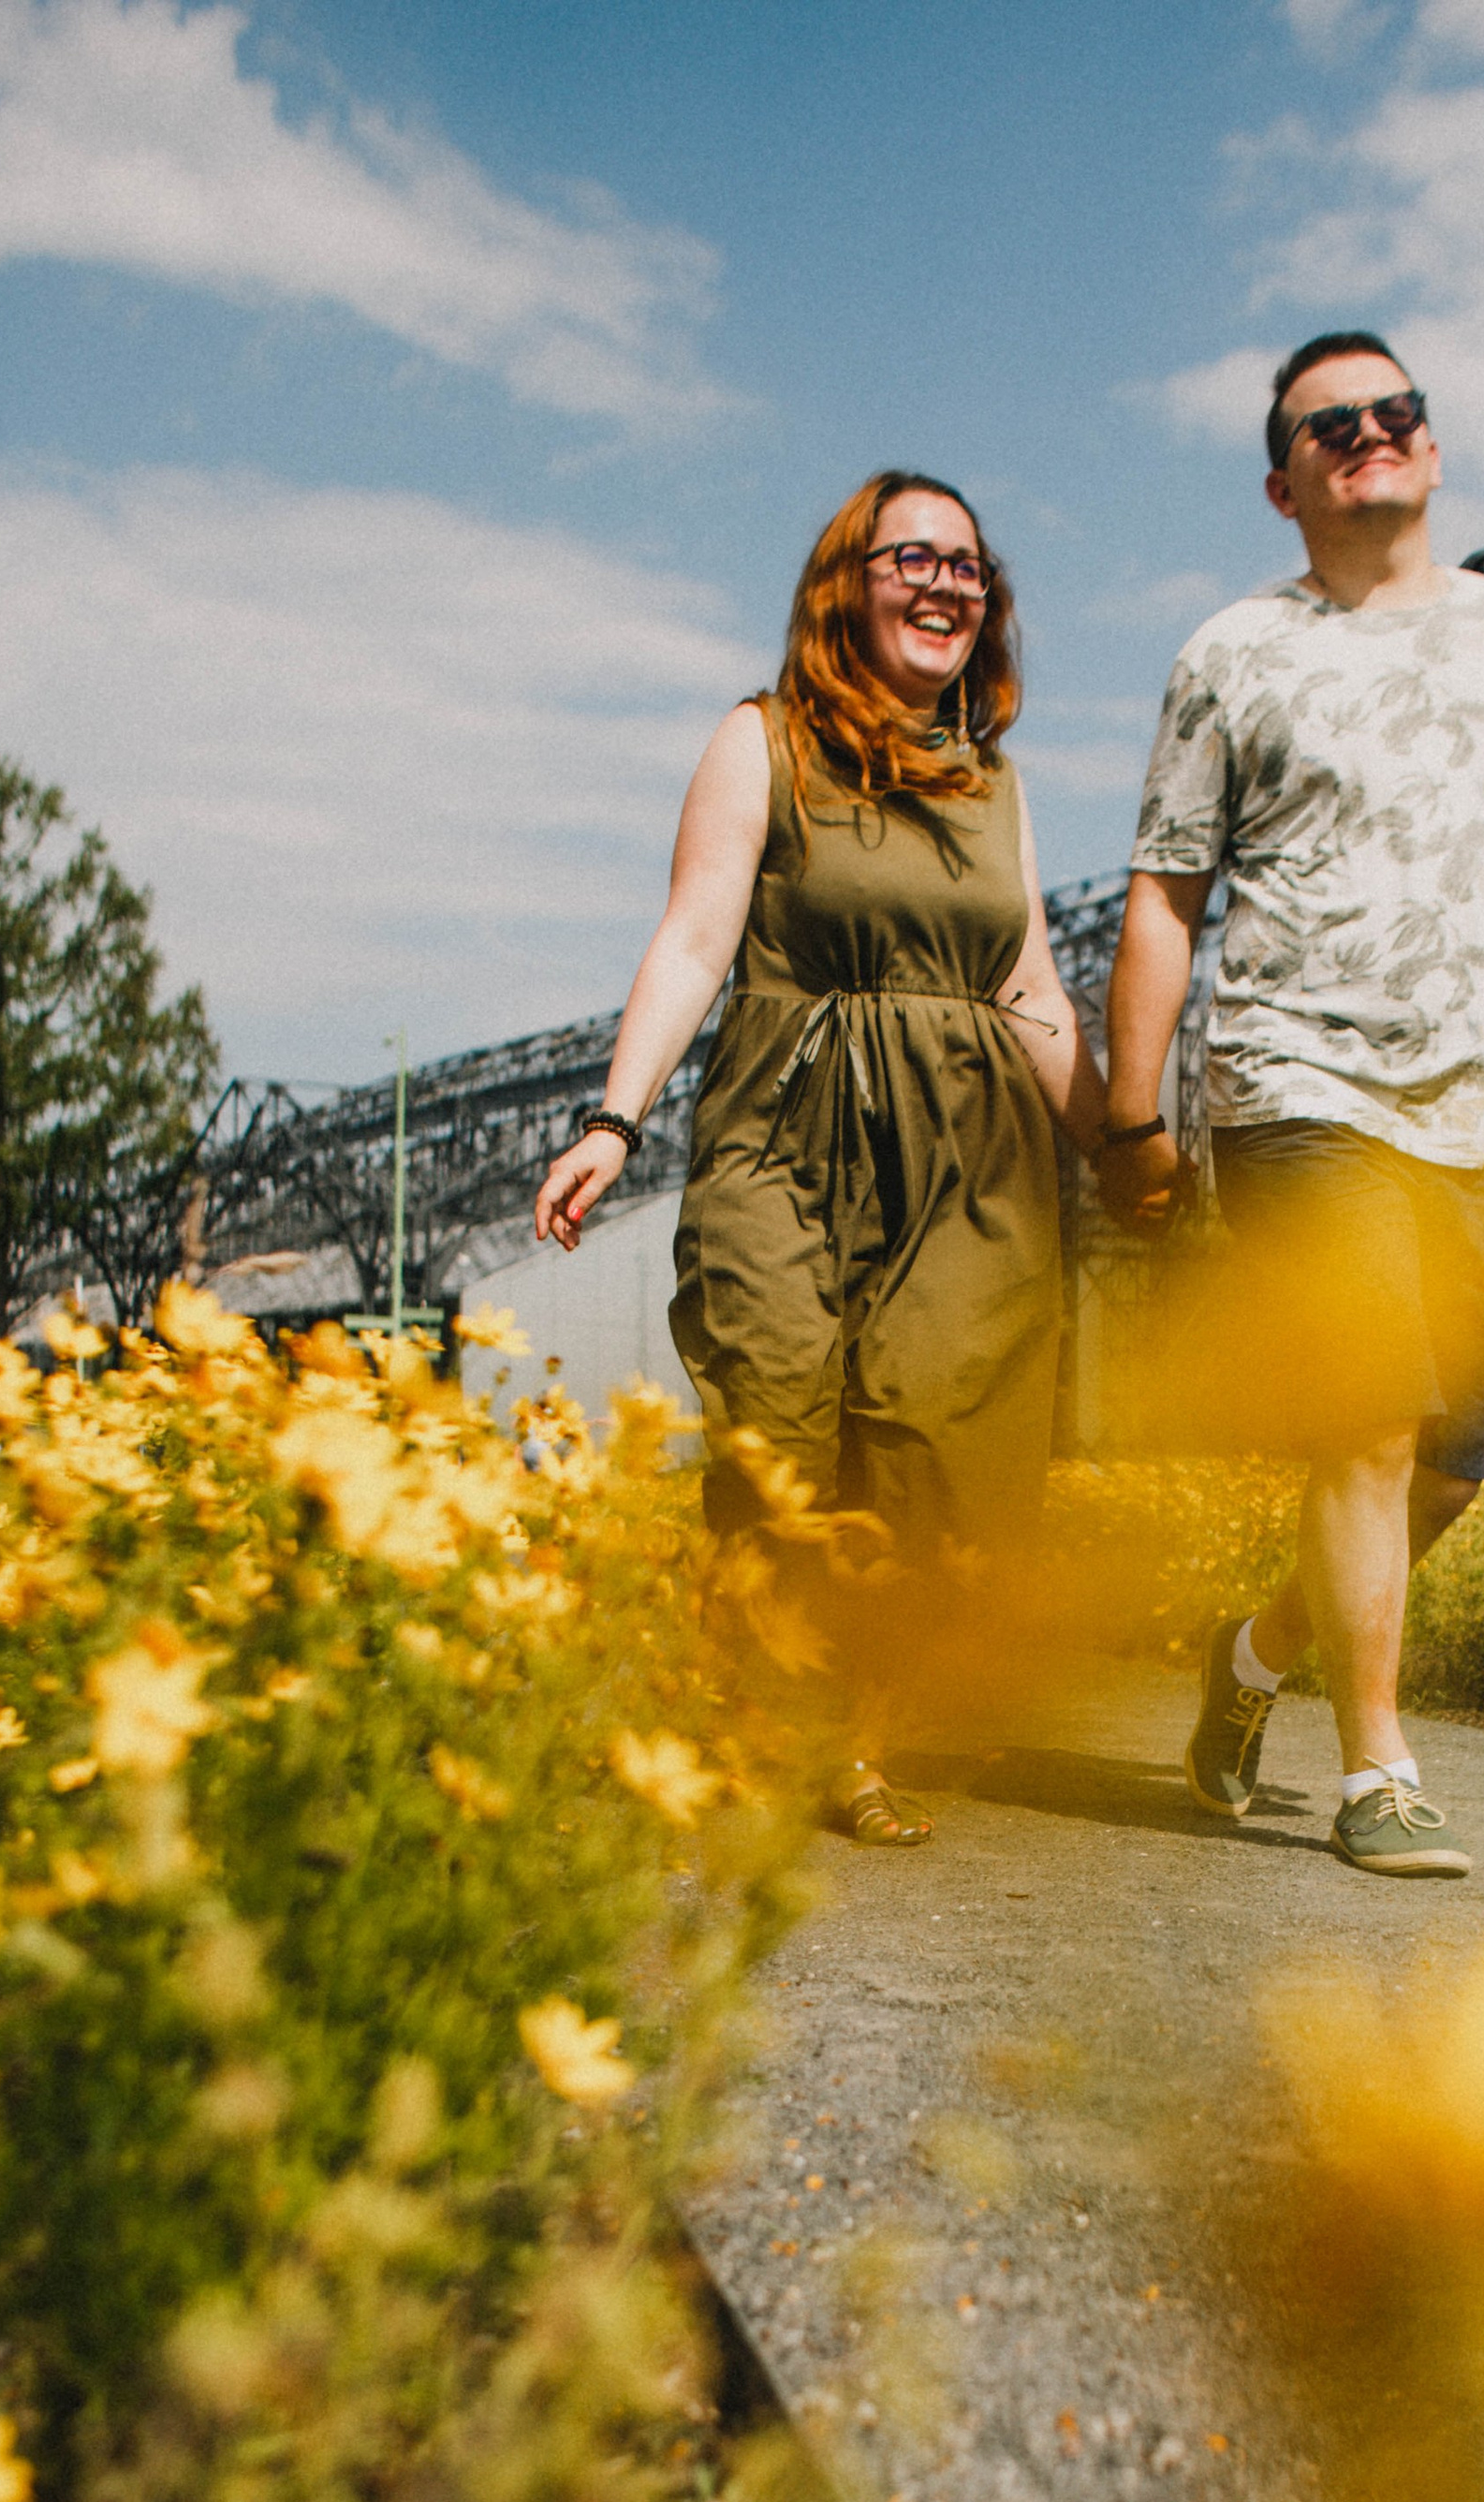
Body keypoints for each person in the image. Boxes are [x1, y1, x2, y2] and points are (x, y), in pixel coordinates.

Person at [1097, 332, 1484, 1880]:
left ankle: (1251, 1657)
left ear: (1431, 443)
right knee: (1364, 1417)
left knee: (1454, 1464)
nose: (1370, 432)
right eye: (1330, 424)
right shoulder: (1234, 651)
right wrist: (1133, 1114)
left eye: (1395, 411)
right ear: (1282, 483)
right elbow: (1165, 894)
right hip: (1293, 1081)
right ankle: (1380, 1771)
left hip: (1473, 1109)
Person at [532, 470, 1104, 1845]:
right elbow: (695, 938)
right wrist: (614, 1119)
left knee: (931, 1448)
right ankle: (757, 1709)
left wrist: (1128, 1146)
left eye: (968, 567)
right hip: (785, 1126)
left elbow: (1028, 983)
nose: (946, 584)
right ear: (847, 582)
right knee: (776, 1414)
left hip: (967, 1156)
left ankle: (851, 1741)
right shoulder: (764, 741)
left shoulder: (995, 784)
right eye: (914, 558)